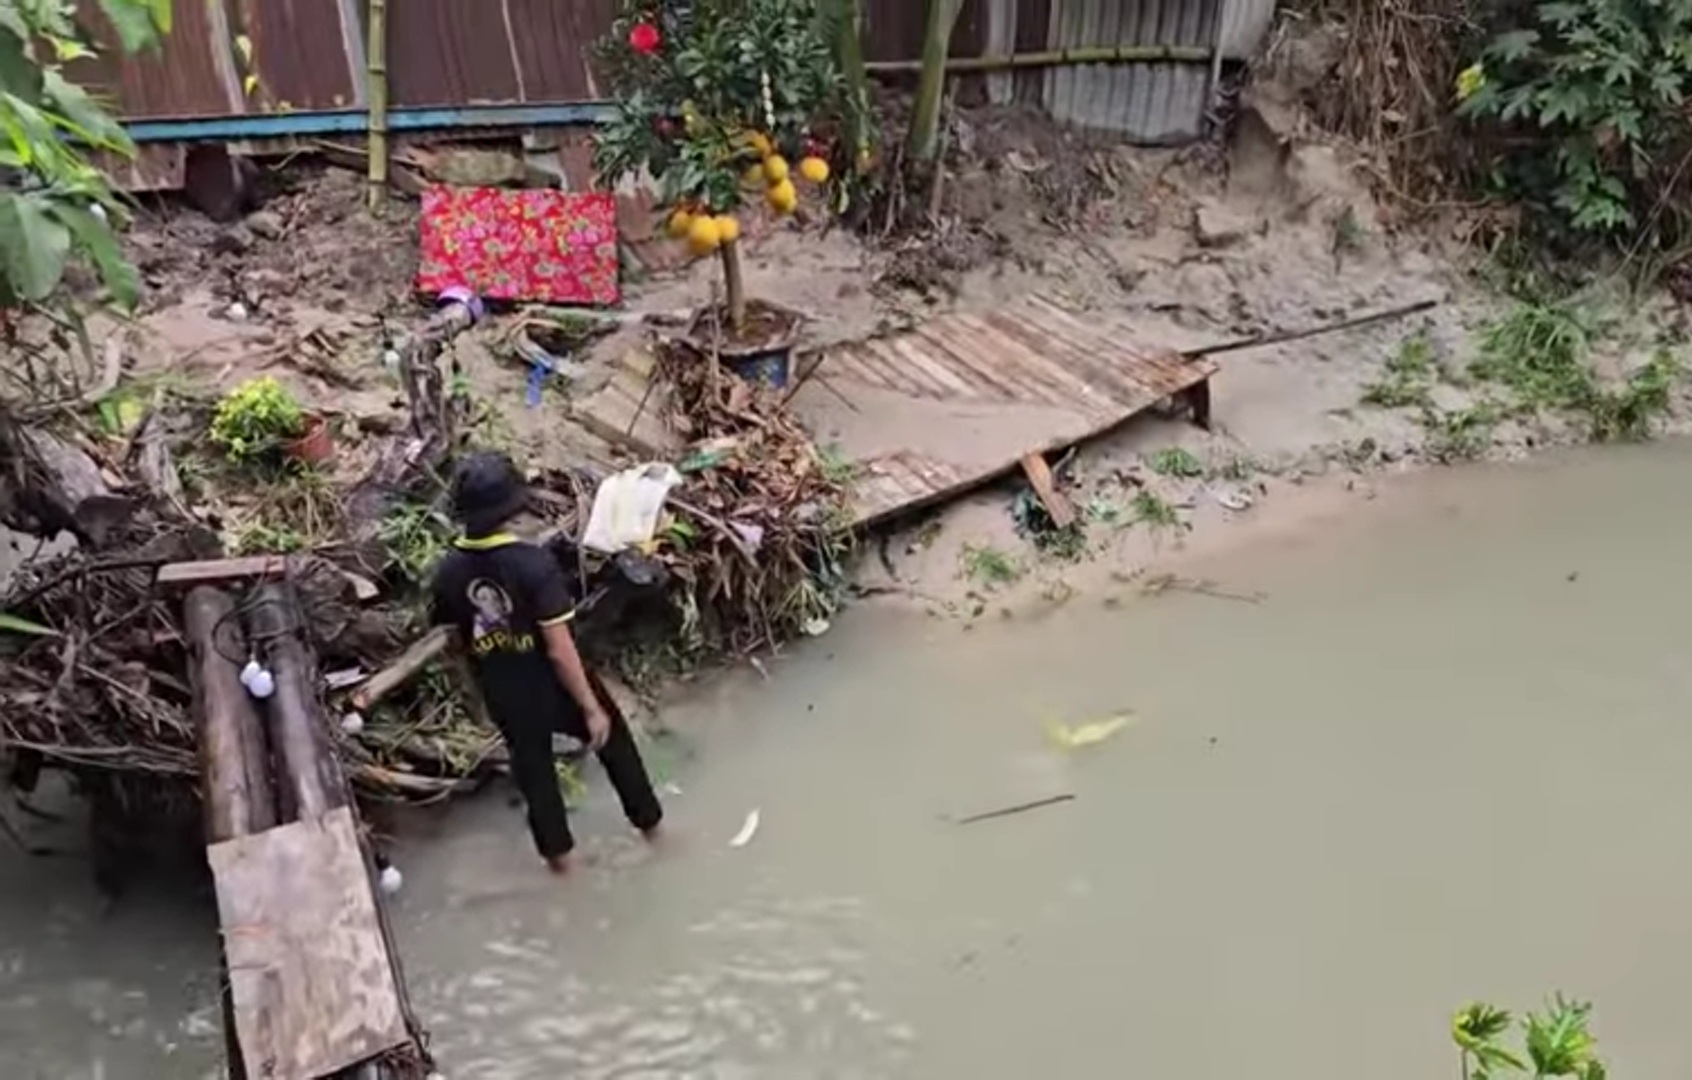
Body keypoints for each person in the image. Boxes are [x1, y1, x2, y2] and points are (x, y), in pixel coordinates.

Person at [430, 451, 663, 873]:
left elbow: (453, 641)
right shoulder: (533, 564)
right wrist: (590, 709)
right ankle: (653, 833)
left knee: (534, 770)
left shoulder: (447, 572)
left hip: (502, 687)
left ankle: (563, 866)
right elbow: (559, 649)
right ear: (512, 507)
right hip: (554, 685)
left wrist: (478, 694)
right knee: (615, 742)